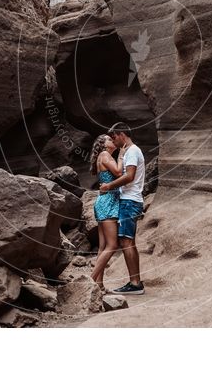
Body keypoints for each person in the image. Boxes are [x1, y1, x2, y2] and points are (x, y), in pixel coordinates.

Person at [99, 122, 145, 295]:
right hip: (129, 200)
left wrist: (109, 186)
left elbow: (130, 176)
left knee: (126, 241)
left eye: (114, 138)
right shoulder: (131, 151)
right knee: (128, 241)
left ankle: (135, 284)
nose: (113, 141)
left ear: (121, 134)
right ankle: (135, 282)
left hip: (130, 201)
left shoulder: (132, 151)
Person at [90, 134, 123, 290]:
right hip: (108, 202)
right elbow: (117, 172)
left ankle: (99, 285)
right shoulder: (104, 155)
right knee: (112, 245)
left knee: (103, 247)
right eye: (109, 139)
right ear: (103, 145)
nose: (112, 141)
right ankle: (89, 282)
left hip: (104, 201)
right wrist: (122, 154)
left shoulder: (103, 156)